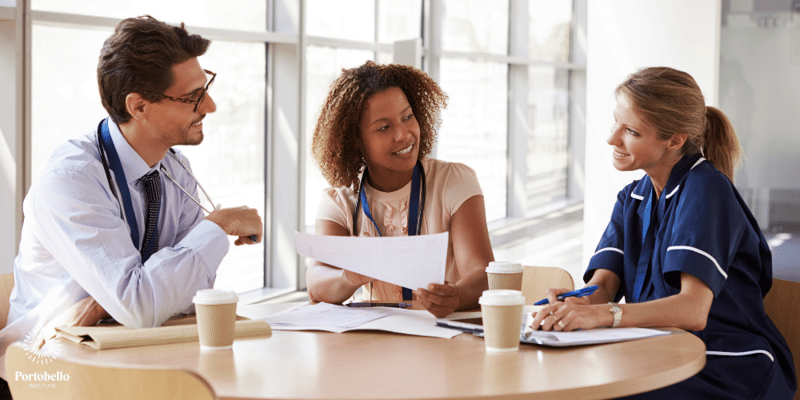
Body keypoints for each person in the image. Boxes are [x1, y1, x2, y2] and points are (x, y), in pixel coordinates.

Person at [0, 15, 263, 392]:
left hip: (132, 353)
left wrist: (106, 302)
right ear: (138, 106)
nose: (211, 106)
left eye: (206, 89)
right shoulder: (70, 181)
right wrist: (217, 226)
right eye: (192, 97)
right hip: (46, 372)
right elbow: (143, 305)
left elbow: (186, 291)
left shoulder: (175, 168)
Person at [531, 67, 796, 399]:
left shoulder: (706, 190)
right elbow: (602, 289)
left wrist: (601, 315)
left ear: (675, 140)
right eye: (616, 122)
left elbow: (693, 310)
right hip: (658, 352)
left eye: (631, 131)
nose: (612, 138)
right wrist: (573, 306)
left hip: (725, 362)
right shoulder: (633, 198)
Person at [306, 61, 494, 318]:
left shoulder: (454, 181)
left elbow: (483, 273)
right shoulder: (340, 200)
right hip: (379, 340)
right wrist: (349, 277)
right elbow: (316, 283)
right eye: (384, 127)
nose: (403, 135)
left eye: (407, 117)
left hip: (445, 336)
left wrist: (455, 296)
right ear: (355, 140)